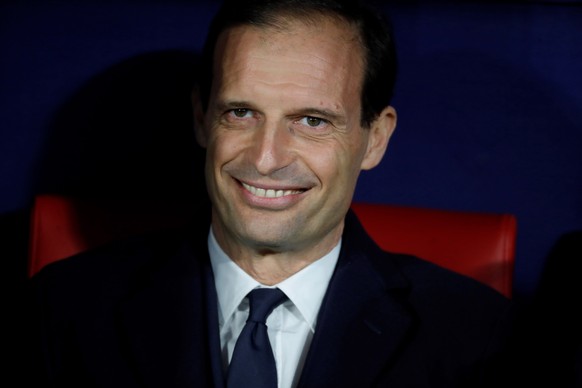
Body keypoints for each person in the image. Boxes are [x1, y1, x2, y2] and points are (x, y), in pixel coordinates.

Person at [25, 0, 514, 387]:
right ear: (201, 117)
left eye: (312, 121)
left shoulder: (478, 338)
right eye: (240, 112)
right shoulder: (64, 308)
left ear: (375, 138)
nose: (265, 158)